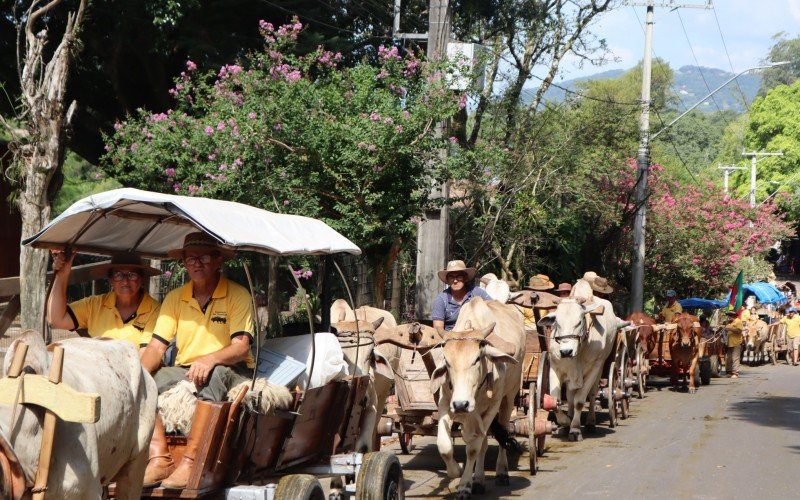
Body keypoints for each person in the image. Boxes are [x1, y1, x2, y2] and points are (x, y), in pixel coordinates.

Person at [140, 232, 255, 488]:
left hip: (230, 368)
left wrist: (210, 359)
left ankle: (193, 462)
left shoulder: (237, 295)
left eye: (203, 257)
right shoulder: (175, 298)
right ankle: (160, 459)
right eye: (190, 258)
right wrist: (138, 375)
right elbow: (157, 346)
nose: (196, 263)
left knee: (212, 376)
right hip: (185, 369)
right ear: (184, 263)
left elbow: (240, 347)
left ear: (217, 261)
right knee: (145, 384)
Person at [48, 251, 162, 351]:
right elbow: (57, 320)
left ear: (141, 279)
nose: (125, 282)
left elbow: (147, 354)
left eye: (132, 275)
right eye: (118, 275)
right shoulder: (94, 305)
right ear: (111, 280)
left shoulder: (155, 310)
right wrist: (61, 275)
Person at [432, 260, 492, 332]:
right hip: (451, 338)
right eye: (451, 277)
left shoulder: (477, 292)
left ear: (465, 278)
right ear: (447, 280)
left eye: (459, 277)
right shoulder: (441, 299)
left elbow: (493, 308)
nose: (455, 281)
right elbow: (438, 328)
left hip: (477, 335)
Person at [725, 310, 744, 378]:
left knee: (735, 358)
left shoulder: (738, 321)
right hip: (729, 343)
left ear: (733, 316)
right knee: (728, 358)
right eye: (728, 316)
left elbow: (739, 330)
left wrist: (730, 328)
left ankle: (735, 373)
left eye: (729, 316)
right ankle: (729, 372)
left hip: (736, 342)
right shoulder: (730, 323)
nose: (728, 317)